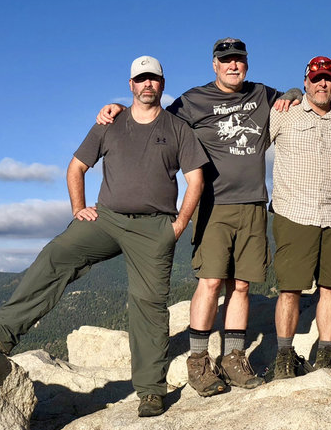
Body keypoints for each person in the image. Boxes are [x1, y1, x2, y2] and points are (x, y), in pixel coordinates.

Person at [0, 56, 208, 417]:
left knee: (148, 305)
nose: (147, 85)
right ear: (130, 85)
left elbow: (196, 180)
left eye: (153, 79)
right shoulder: (109, 123)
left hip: (154, 227)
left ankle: (150, 391)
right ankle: (2, 331)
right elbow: (76, 167)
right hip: (106, 219)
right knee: (57, 254)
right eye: (140, 79)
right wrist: (78, 208)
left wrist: (179, 225)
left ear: (162, 83)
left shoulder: (177, 128)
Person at [97, 38, 300, 396]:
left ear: (247, 64)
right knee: (209, 282)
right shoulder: (192, 101)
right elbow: (152, 114)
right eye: (226, 61)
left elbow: (293, 92)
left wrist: (293, 91)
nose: (233, 66)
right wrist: (116, 106)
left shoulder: (261, 94)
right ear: (214, 65)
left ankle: (234, 358)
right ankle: (199, 361)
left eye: (238, 60)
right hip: (213, 204)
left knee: (242, 285)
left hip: (253, 202)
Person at [268, 56, 331, 379]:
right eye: (316, 78)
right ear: (305, 82)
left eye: (328, 79)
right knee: (290, 289)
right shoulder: (283, 113)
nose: (322, 84)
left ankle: (325, 359)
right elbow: (250, 147)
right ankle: (283, 358)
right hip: (294, 213)